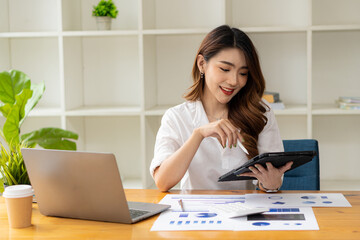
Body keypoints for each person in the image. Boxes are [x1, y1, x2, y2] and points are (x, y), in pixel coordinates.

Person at [149, 25, 292, 192]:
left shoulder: (260, 112)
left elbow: (273, 183)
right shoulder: (177, 117)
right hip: (197, 214)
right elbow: (162, 182)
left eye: (243, 73)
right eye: (225, 69)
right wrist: (199, 134)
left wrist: (271, 184)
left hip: (247, 213)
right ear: (202, 64)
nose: (234, 81)